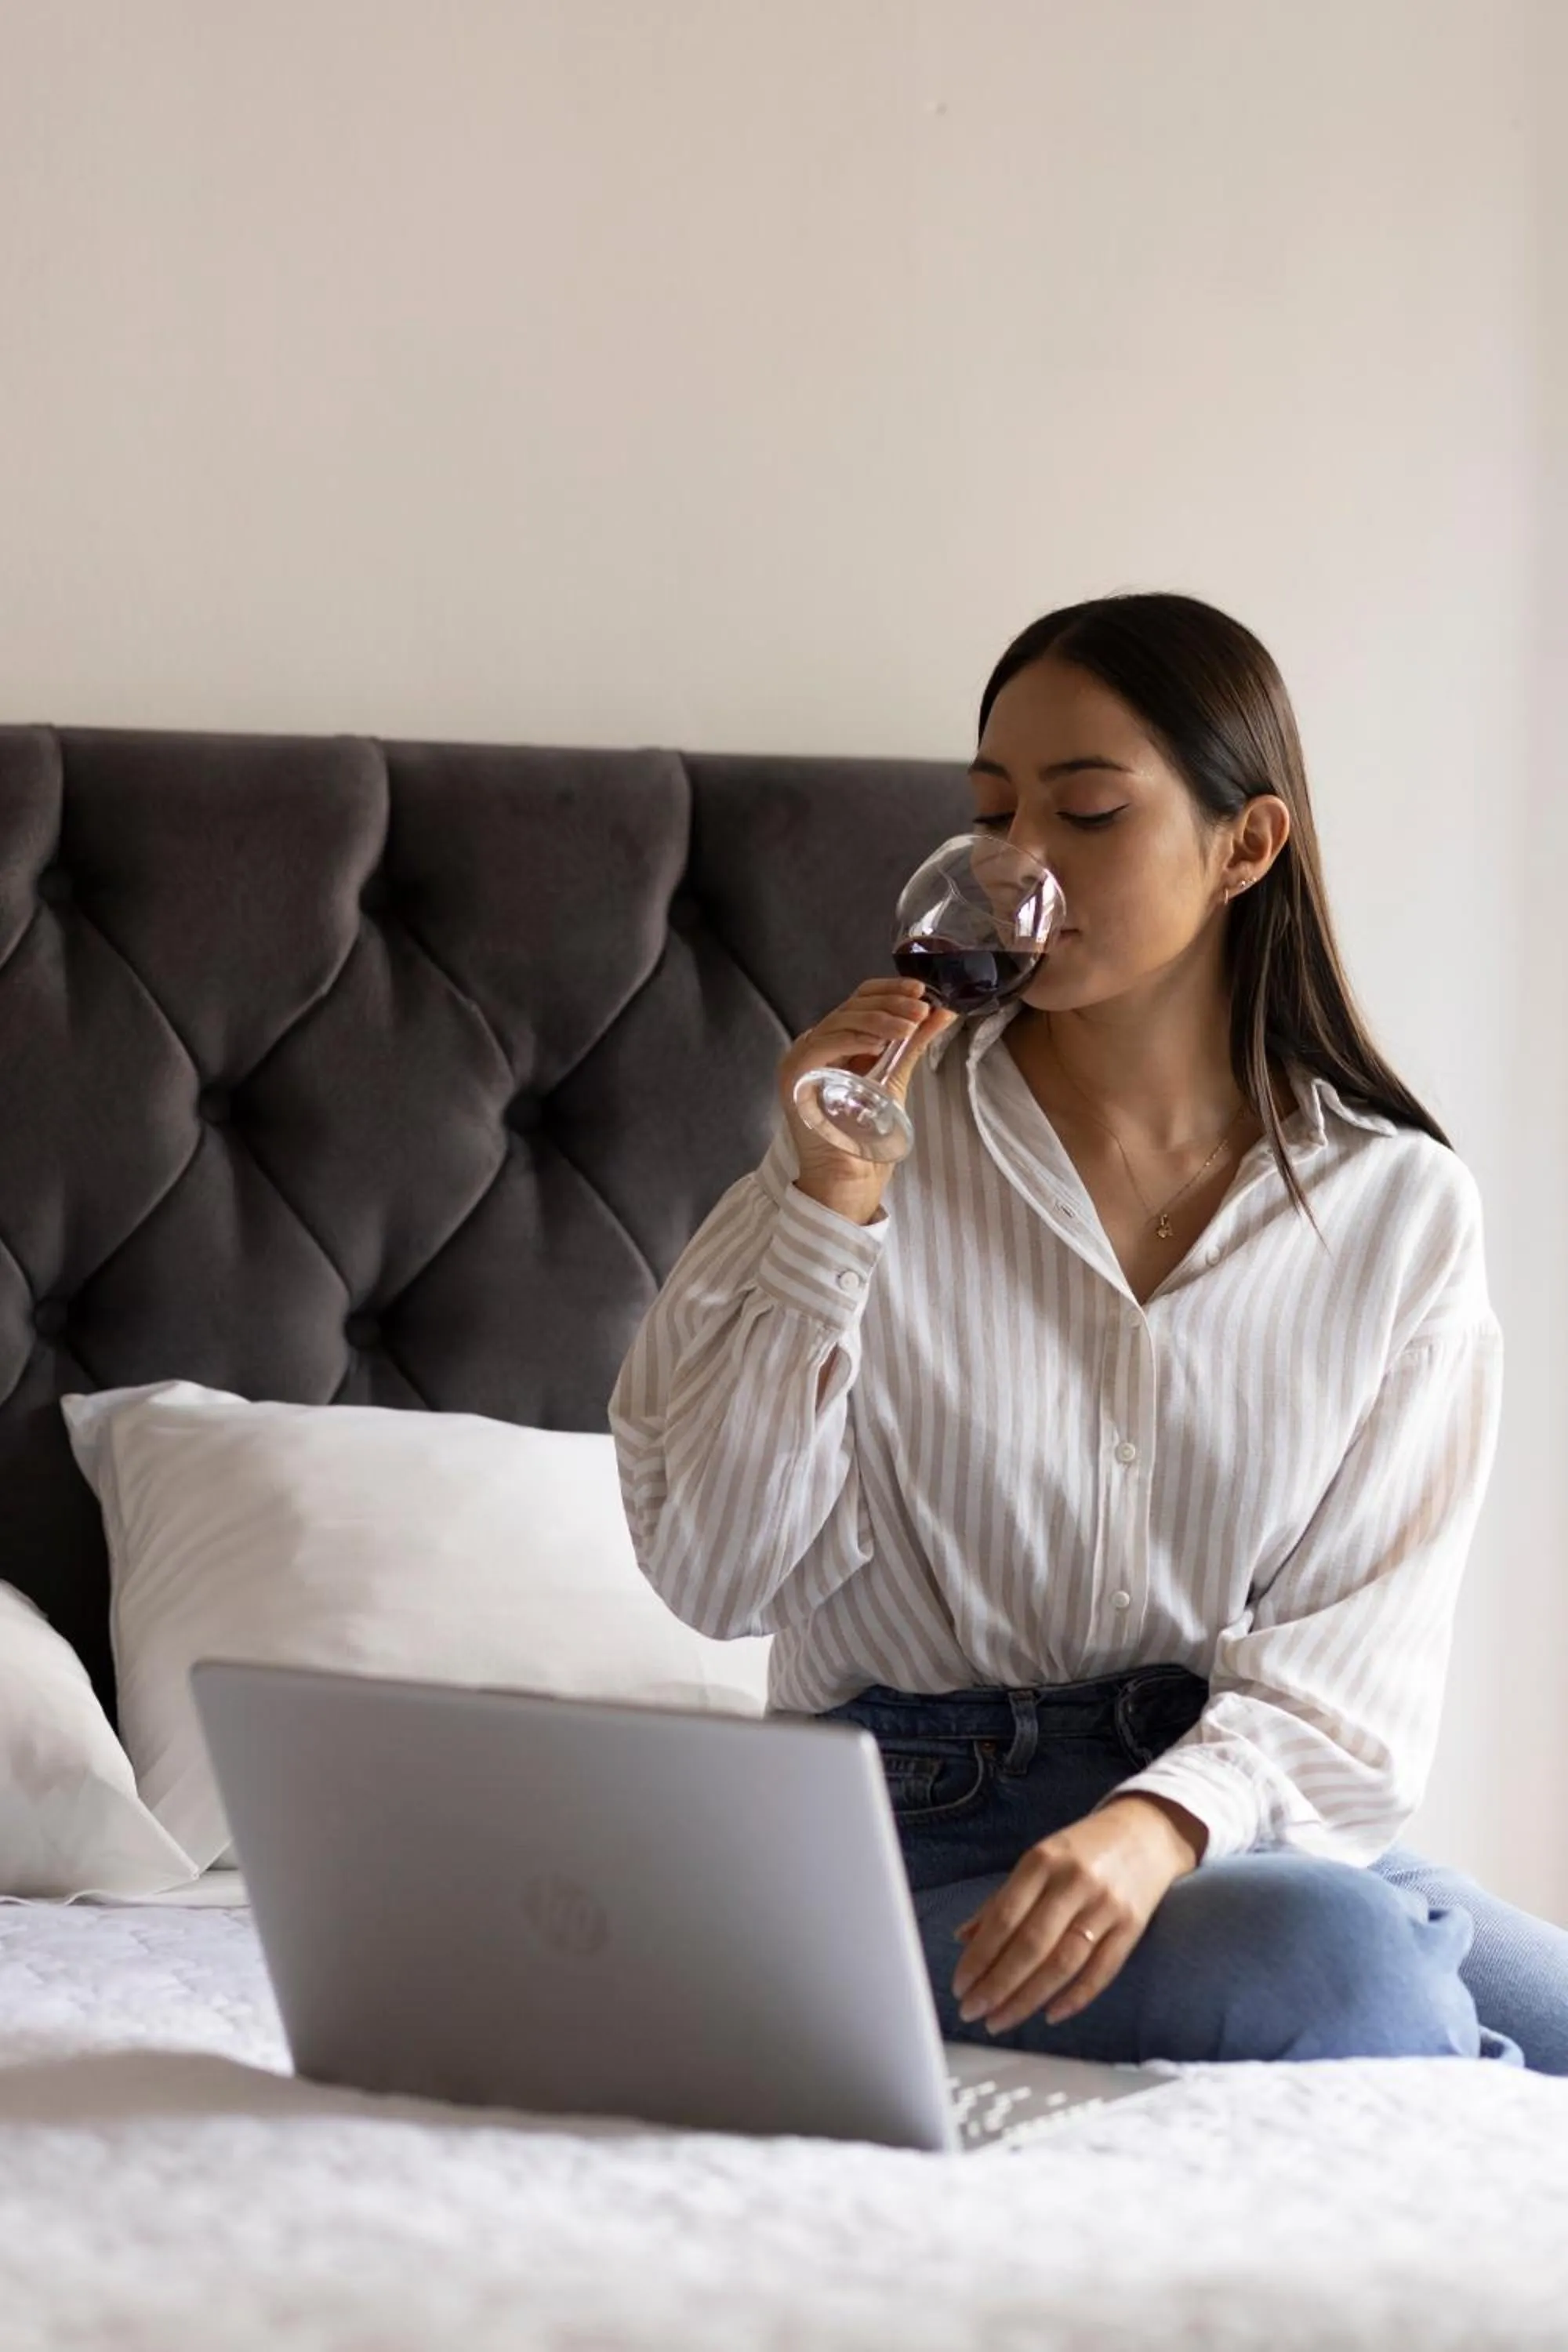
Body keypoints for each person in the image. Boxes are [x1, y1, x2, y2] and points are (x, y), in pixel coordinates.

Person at [610, 591, 1568, 2072]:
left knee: (1483, 1984)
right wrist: (828, 1209)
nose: (1019, 869)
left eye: (1090, 814)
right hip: (899, 1844)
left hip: (1214, 1825)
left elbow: (1355, 1666)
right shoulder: (865, 1149)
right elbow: (716, 1573)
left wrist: (1159, 1822)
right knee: (1346, 1966)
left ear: (1247, 848)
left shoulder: (1397, 1211)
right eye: (995, 815)